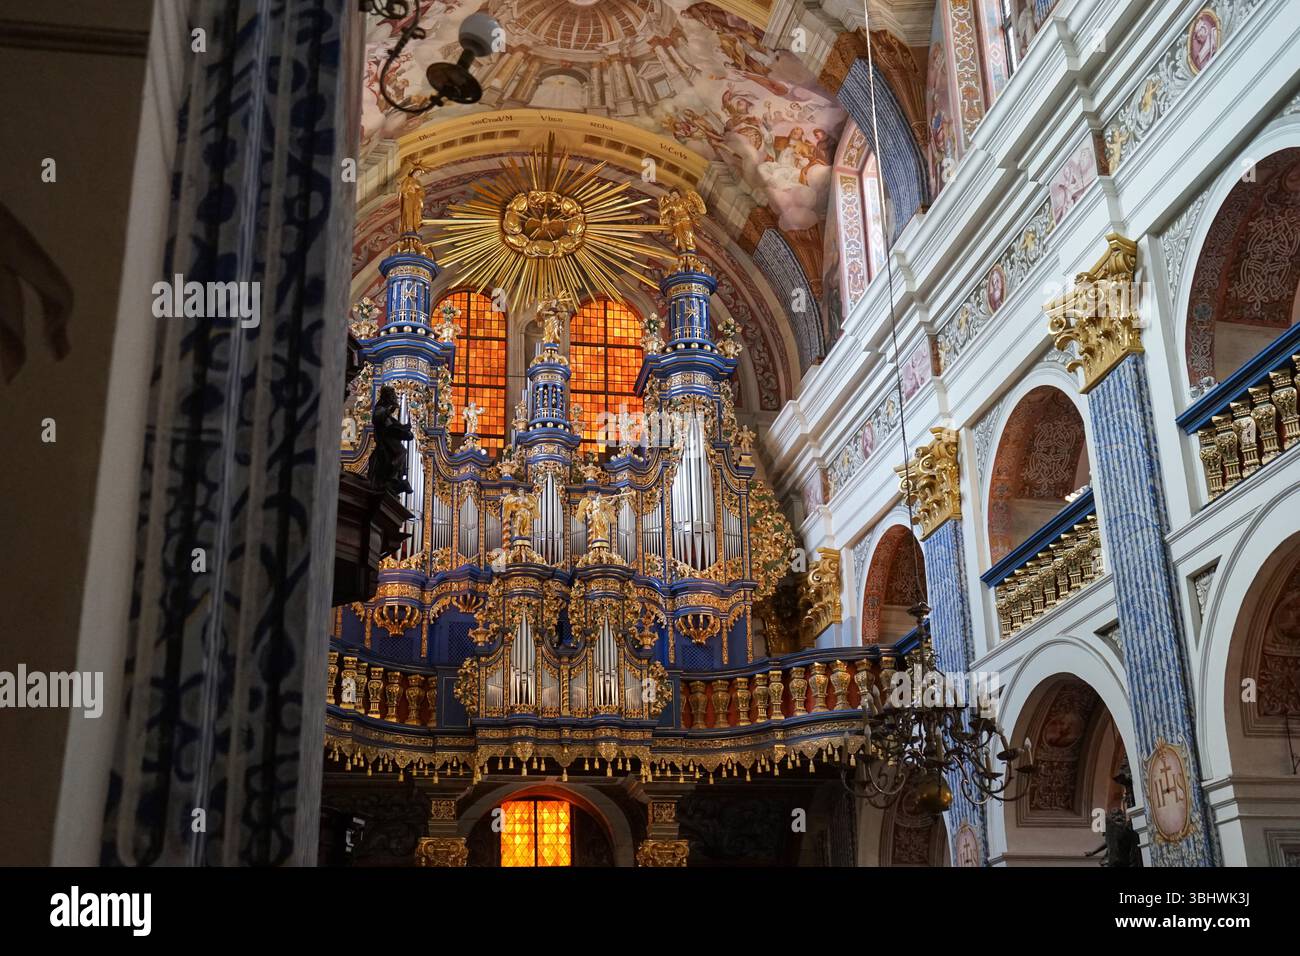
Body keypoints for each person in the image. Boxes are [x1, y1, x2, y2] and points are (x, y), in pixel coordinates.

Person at [368, 386, 414, 496]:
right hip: (384, 440)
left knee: (402, 451)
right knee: (401, 451)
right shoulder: (380, 408)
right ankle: (393, 473)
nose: (394, 399)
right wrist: (389, 411)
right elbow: (378, 418)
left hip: (389, 439)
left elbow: (392, 427)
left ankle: (395, 474)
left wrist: (404, 429)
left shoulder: (388, 414)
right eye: (392, 397)